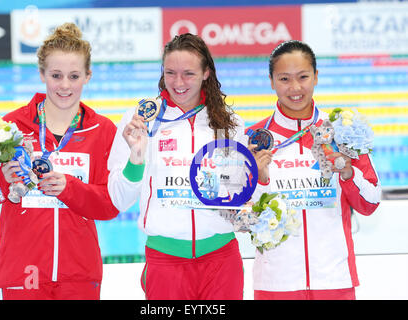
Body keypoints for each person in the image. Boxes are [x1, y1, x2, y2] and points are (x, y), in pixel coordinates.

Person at [0, 23, 119, 300]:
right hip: (21, 270)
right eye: (56, 75)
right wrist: (3, 180)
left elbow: (111, 205)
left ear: (88, 76)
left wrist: (69, 188)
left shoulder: (103, 131)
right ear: (42, 74)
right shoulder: (11, 127)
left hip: (80, 273)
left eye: (74, 76)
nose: (65, 85)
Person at [108, 33, 264, 300]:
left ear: (206, 73)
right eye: (170, 73)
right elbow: (119, 200)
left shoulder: (230, 124)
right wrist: (136, 159)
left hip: (221, 259)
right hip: (165, 260)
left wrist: (257, 180)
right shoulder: (139, 122)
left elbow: (243, 198)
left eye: (188, 74)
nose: (178, 83)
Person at [247, 40, 381, 300]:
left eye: (303, 77)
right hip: (276, 284)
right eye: (284, 78)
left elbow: (370, 203)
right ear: (271, 81)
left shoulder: (343, 132)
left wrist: (348, 174)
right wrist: (260, 182)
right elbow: (239, 215)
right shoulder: (253, 139)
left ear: (316, 77)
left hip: (334, 280)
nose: (295, 88)